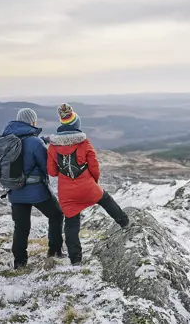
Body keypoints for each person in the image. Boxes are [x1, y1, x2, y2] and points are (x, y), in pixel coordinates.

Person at [47, 103, 129, 266]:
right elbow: (94, 166)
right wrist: (94, 182)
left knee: (71, 223)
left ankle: (75, 259)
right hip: (86, 185)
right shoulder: (84, 143)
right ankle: (125, 223)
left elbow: (51, 171)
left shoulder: (52, 146)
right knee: (105, 199)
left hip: (66, 191)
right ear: (77, 124)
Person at [2, 108, 64, 269]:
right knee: (56, 215)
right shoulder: (35, 143)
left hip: (15, 191)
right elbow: (47, 168)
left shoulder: (7, 140)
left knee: (21, 227)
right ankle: (54, 251)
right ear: (32, 122)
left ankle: (19, 262)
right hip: (37, 191)